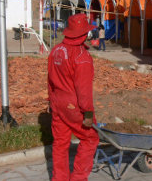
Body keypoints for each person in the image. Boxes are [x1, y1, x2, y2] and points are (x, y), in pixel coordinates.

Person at [48, 13, 99, 181]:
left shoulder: (56, 50)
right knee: (90, 138)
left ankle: (59, 178)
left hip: (57, 102)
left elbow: (50, 79)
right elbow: (84, 92)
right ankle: (78, 177)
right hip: (73, 106)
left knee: (60, 143)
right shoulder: (81, 57)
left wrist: (51, 102)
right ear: (85, 34)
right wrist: (89, 115)